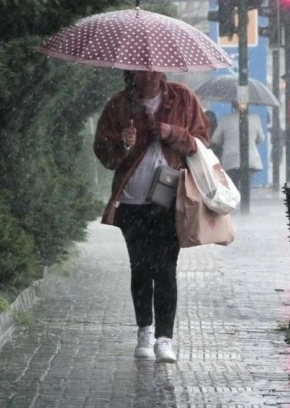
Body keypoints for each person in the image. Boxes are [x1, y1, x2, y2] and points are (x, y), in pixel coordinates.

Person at [93, 71, 209, 363]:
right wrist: (123, 144)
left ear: (162, 70)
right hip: (132, 202)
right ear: (132, 73)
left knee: (166, 269)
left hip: (170, 200)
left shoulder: (182, 98)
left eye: (154, 69)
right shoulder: (119, 105)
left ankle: (164, 339)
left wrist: (174, 134)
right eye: (142, 70)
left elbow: (202, 143)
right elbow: (104, 155)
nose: (149, 75)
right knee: (141, 268)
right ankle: (144, 331)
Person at [211, 101, 266, 188]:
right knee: (246, 186)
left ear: (232, 106)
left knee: (233, 187)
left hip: (230, 159)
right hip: (250, 159)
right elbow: (261, 139)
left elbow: (215, 139)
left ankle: (237, 198)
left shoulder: (225, 119)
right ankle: (244, 200)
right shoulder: (255, 118)